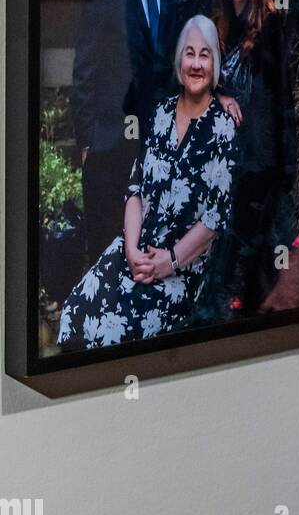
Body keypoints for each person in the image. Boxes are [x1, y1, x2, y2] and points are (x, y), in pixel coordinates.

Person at [57, 17, 239, 351]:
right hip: (134, 250)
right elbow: (134, 189)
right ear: (178, 61)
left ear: (214, 64)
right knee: (73, 315)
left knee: (111, 338)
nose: (196, 63)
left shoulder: (223, 129)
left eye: (204, 55)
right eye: (189, 54)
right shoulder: (160, 114)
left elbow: (215, 218)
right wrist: (130, 249)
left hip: (179, 269)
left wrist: (165, 262)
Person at [71, 0, 180, 264]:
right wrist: (87, 144)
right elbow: (85, 64)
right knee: (106, 262)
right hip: (108, 152)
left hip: (157, 151)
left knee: (149, 264)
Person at [193, 0, 299, 322]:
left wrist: (284, 177)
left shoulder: (273, 27)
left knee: (257, 302)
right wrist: (218, 96)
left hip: (262, 190)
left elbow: (284, 106)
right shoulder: (217, 31)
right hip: (224, 187)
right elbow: (191, 89)